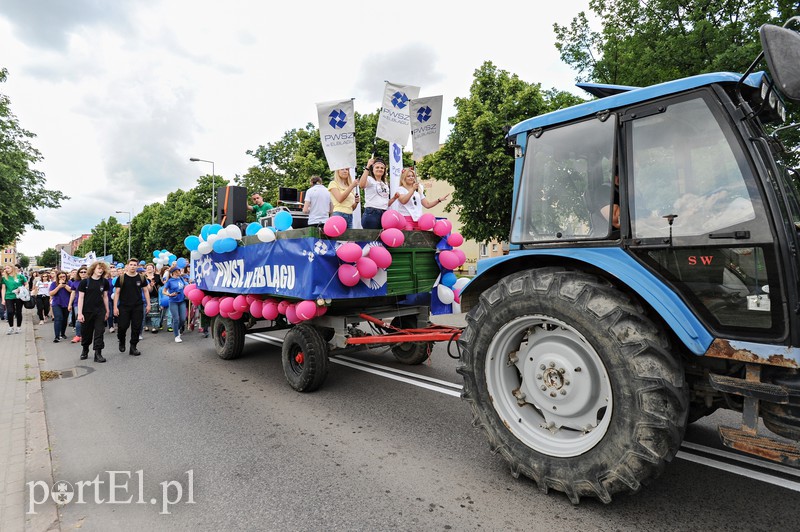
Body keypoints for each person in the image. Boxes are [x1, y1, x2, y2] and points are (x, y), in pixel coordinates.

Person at [113, 258, 150, 356]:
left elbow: (146, 291)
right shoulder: (121, 278)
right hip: (124, 307)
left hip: (138, 306)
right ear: (127, 266)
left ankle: (133, 347)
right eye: (131, 264)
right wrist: (115, 307)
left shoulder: (141, 278)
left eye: (135, 265)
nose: (133, 266)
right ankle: (121, 341)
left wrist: (148, 304)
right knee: (122, 326)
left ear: (137, 266)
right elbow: (117, 293)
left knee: (136, 327)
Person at [77, 261, 111, 363]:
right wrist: (79, 313)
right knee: (86, 332)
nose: (101, 270)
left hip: (100, 311)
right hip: (87, 311)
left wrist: (107, 310)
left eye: (102, 269)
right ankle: (85, 349)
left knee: (100, 331)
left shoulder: (104, 282)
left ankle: (98, 353)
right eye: (99, 268)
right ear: (93, 269)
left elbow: (105, 296)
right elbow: (81, 298)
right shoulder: (84, 282)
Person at [359, 157, 395, 229]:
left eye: (382, 168)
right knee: (371, 238)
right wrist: (367, 167)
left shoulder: (385, 184)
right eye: (377, 167)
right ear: (373, 169)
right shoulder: (370, 179)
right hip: (372, 212)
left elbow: (386, 203)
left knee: (381, 238)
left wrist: (394, 198)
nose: (380, 169)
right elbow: (361, 185)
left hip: (384, 213)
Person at [163, 265, 187, 343]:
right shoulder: (169, 281)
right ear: (173, 272)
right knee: (176, 318)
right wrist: (169, 295)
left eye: (179, 271)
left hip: (182, 301)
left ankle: (177, 328)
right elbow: (164, 291)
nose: (178, 272)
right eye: (177, 271)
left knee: (183, 319)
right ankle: (176, 335)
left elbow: (186, 286)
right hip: (173, 301)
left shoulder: (181, 278)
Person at [1, 264, 27, 334]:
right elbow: (3, 289)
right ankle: (11, 327)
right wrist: (3, 299)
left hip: (19, 296)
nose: (6, 270)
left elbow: (26, 284)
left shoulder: (20, 276)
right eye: (5, 268)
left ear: (12, 268)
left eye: (8, 268)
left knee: (18, 312)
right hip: (9, 296)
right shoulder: (4, 278)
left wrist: (20, 288)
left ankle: (18, 327)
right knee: (10, 312)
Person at [49, 271, 72, 342]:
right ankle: (57, 336)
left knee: (64, 319)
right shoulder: (54, 284)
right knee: (58, 318)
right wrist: (58, 286)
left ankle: (62, 333)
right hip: (57, 303)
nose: (62, 278)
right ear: (58, 277)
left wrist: (64, 285)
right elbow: (51, 293)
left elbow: (72, 291)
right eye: (60, 277)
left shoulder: (69, 283)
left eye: (63, 276)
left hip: (66, 303)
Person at [67, 267, 88, 343]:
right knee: (78, 319)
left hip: (89, 303)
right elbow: (73, 293)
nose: (83, 273)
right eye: (81, 272)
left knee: (87, 320)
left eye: (84, 272)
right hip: (77, 303)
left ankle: (85, 335)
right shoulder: (75, 282)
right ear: (78, 273)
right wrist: (70, 304)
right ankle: (78, 335)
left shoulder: (90, 281)